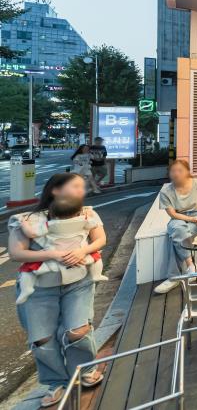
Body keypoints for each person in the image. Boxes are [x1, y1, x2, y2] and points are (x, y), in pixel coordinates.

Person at [9, 173, 107, 407]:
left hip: (78, 281)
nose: (81, 190)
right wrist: (53, 254)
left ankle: (85, 369)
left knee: (78, 331)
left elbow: (100, 239)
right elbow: (16, 253)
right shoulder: (27, 220)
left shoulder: (88, 213)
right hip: (39, 288)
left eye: (82, 187)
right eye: (75, 186)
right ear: (55, 190)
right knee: (42, 339)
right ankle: (56, 382)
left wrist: (82, 251)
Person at [16, 196, 107, 305]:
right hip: (79, 256)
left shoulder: (50, 225)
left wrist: (24, 224)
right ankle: (96, 275)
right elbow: (94, 224)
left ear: (52, 214)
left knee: (27, 270)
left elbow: (32, 233)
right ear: (78, 212)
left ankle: (26, 290)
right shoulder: (83, 220)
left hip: (54, 260)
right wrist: (89, 215)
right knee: (96, 258)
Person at [154, 160, 197, 294]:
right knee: (178, 229)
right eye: (173, 171)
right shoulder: (166, 191)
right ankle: (191, 265)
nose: (176, 173)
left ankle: (173, 278)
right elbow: (172, 213)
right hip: (178, 218)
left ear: (188, 171)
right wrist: (192, 219)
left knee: (176, 238)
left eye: (180, 170)